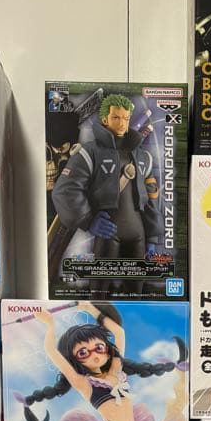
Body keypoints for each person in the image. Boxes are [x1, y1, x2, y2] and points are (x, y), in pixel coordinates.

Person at [16, 301, 187, 421]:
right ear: (75, 361)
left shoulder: (116, 367)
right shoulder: (84, 383)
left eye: (98, 348)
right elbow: (52, 352)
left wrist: (90, 309)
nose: (95, 355)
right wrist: (50, 325)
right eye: (83, 353)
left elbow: (119, 332)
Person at [51, 94, 162, 292]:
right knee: (99, 290)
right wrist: (87, 219)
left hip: (138, 233)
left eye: (126, 118)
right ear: (105, 119)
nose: (122, 123)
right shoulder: (90, 152)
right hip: (108, 230)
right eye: (116, 117)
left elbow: (150, 198)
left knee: (136, 292)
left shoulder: (142, 157)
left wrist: (152, 237)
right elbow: (65, 190)